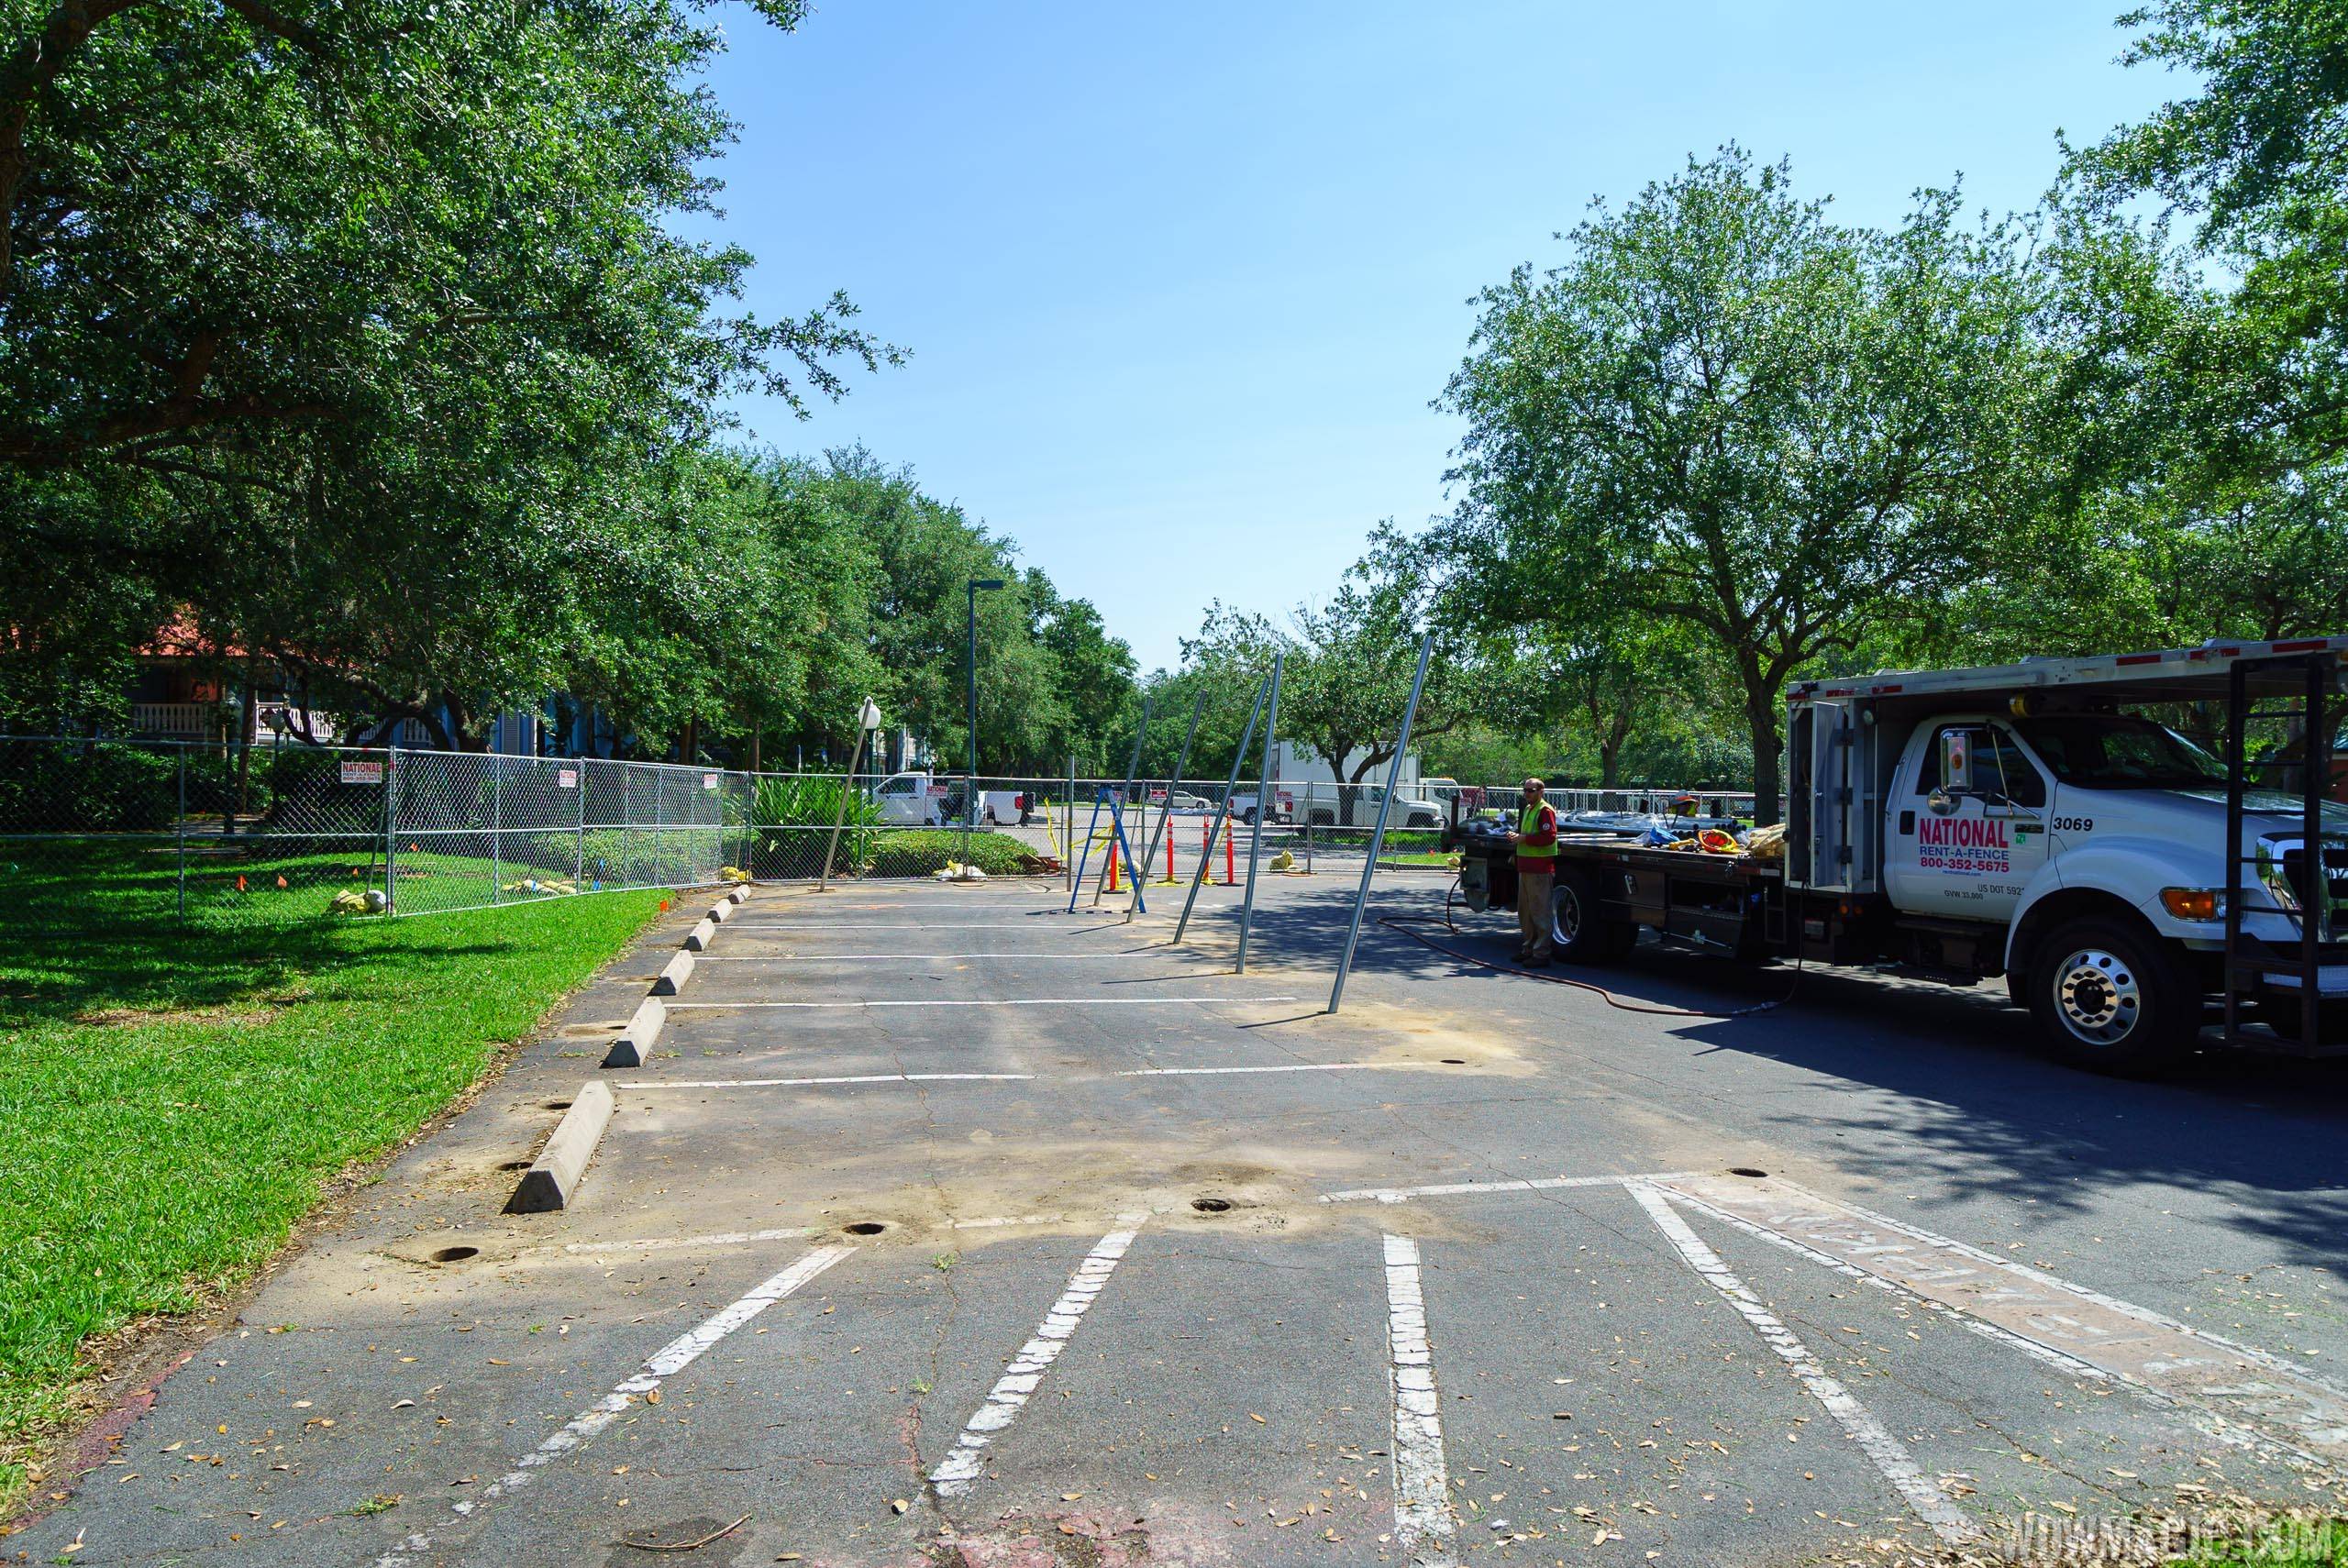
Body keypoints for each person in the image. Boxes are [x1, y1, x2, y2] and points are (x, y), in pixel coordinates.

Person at [1506, 776, 1561, 966]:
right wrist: (1518, 842)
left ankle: (1541, 954)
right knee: (1526, 912)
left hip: (1540, 869)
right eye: (1525, 790)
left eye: (1531, 790)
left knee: (1540, 911)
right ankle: (1529, 948)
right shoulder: (1529, 809)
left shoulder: (1545, 810)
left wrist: (1522, 839)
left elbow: (1549, 837)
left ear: (1541, 791)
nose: (1527, 793)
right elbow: (1527, 836)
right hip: (1526, 867)